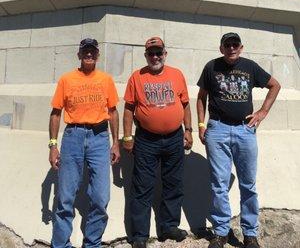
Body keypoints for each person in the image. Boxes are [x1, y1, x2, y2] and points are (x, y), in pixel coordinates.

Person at [197, 32, 281, 248]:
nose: (232, 48)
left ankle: (250, 234)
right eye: (228, 45)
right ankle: (221, 232)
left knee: (248, 184)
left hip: (245, 130)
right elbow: (201, 97)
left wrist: (262, 112)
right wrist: (201, 124)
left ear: (241, 47)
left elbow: (275, 85)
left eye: (235, 44)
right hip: (217, 129)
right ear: (221, 48)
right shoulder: (211, 67)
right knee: (219, 184)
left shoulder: (250, 67)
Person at [48, 38, 120, 248]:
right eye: (85, 51)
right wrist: (53, 145)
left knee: (100, 196)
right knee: (65, 196)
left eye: (92, 51)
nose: (89, 54)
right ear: (79, 55)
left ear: (97, 55)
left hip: (99, 137)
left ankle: (92, 242)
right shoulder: (66, 79)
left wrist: (115, 142)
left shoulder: (106, 80)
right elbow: (55, 113)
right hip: (73, 137)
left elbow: (113, 112)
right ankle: (61, 244)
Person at [122, 37, 193, 248]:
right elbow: (128, 109)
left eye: (158, 52)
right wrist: (127, 137)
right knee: (143, 187)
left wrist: (188, 130)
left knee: (174, 184)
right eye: (151, 53)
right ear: (145, 55)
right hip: (146, 140)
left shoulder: (177, 74)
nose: (155, 57)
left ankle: (168, 226)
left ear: (165, 54)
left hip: (174, 138)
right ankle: (140, 235)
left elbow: (185, 104)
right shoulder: (137, 77)